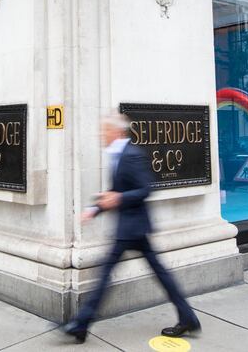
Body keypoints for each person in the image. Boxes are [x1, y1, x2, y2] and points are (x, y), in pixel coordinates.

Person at [63, 113, 201, 343]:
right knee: (159, 274)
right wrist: (95, 209)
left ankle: (82, 323)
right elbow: (114, 192)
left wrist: (117, 199)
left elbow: (145, 189)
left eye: (105, 130)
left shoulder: (132, 154)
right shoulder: (118, 155)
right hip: (131, 228)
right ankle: (188, 318)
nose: (101, 135)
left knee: (106, 274)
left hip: (133, 228)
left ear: (116, 132)